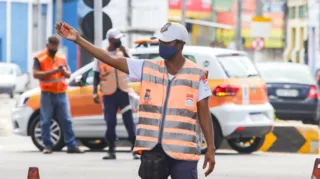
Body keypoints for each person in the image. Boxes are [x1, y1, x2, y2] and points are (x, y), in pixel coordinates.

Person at [56, 22, 215, 178]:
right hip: (152, 150)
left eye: (166, 42)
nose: (161, 45)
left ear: (180, 44)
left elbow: (204, 113)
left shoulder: (197, 74)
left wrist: (211, 148)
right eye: (160, 41)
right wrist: (78, 39)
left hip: (183, 152)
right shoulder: (147, 68)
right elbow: (109, 59)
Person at [33, 35, 83, 154]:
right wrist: (53, 72)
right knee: (46, 120)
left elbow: (68, 74)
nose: (54, 48)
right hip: (47, 94)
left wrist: (64, 72)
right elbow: (35, 74)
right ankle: (48, 146)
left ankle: (71, 145)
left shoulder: (61, 57)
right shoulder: (39, 58)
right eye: (52, 46)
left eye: (56, 46)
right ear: (47, 45)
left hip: (61, 93)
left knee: (66, 120)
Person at [92, 28, 138, 160]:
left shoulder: (122, 52)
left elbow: (133, 67)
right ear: (110, 40)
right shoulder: (101, 55)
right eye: (117, 39)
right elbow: (96, 75)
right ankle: (111, 150)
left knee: (129, 121)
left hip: (123, 92)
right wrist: (94, 92)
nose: (119, 41)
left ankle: (135, 149)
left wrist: (125, 53)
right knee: (110, 122)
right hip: (109, 94)